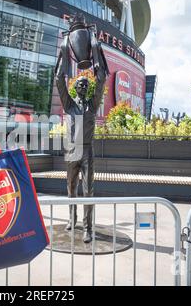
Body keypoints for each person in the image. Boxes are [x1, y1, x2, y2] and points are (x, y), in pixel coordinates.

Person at [55, 29, 108, 244]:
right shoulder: (69, 105)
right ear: (75, 89)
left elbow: (102, 78)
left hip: (87, 150)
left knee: (88, 190)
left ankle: (87, 228)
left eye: (86, 84)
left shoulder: (93, 106)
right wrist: (64, 49)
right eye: (80, 84)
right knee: (71, 189)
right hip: (71, 150)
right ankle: (72, 219)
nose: (84, 86)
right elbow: (59, 79)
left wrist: (95, 47)